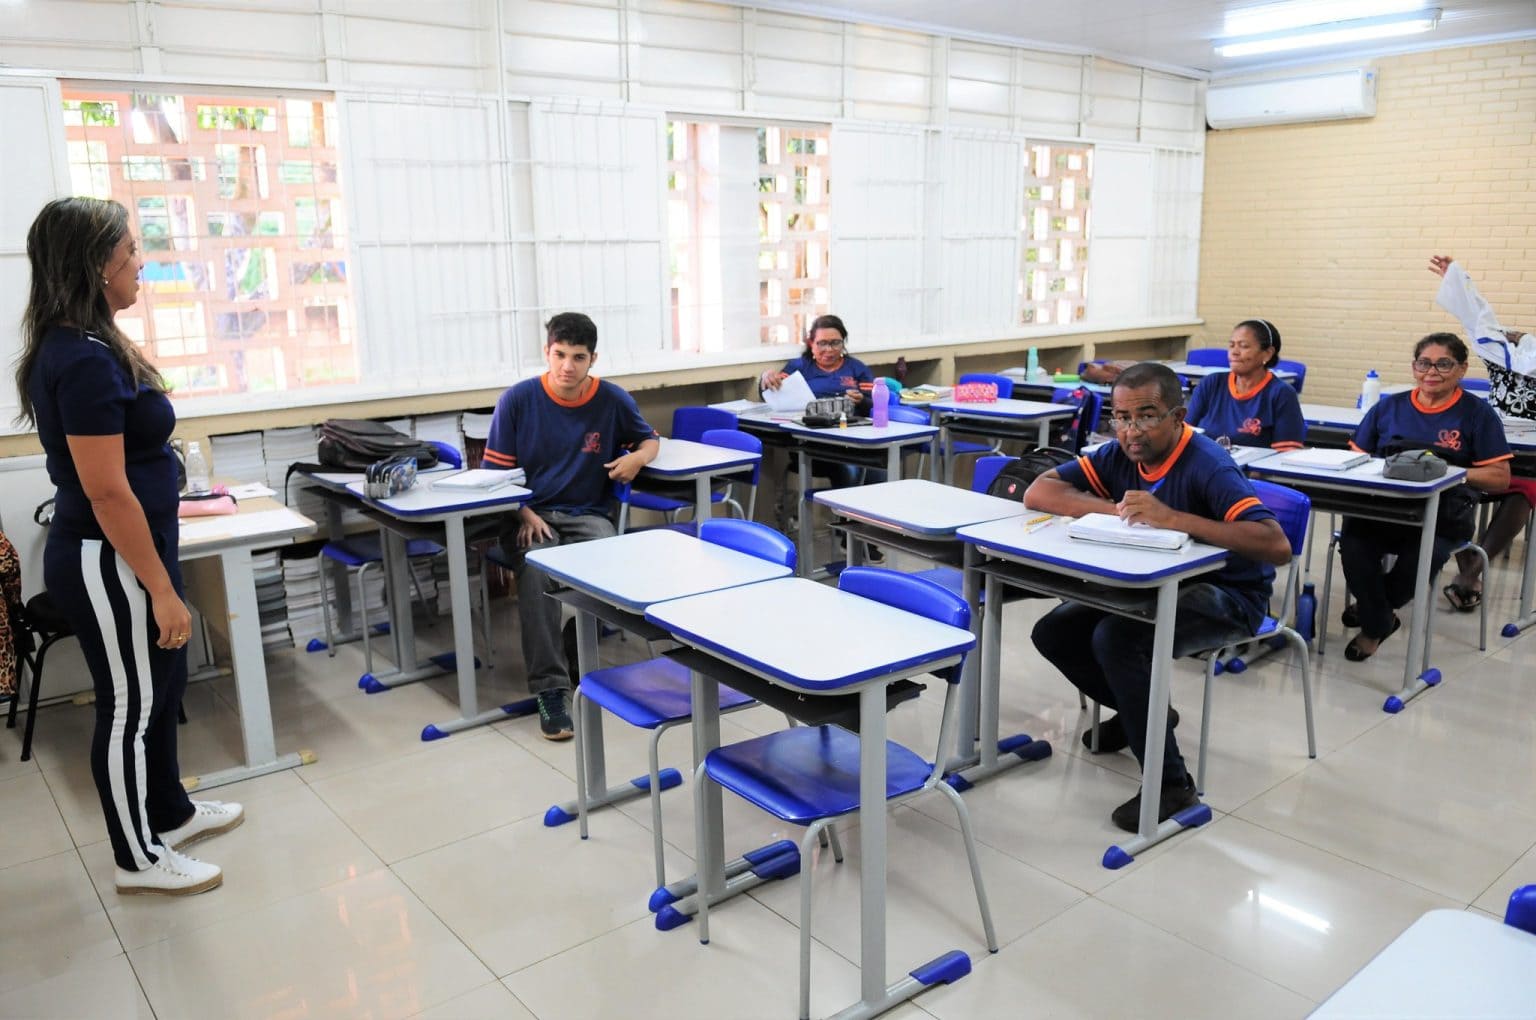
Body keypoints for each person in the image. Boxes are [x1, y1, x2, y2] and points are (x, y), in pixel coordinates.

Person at [16, 197, 241, 896]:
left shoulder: (92, 342)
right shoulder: (78, 361)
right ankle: (136, 859)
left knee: (162, 685)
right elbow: (107, 493)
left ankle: (169, 813)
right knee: (129, 706)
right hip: (106, 559)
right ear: (95, 264)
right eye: (131, 250)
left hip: (132, 553)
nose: (140, 262)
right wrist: (165, 591)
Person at [1027, 362, 1290, 832]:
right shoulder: (1121, 453)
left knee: (1118, 638)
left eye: (1146, 416)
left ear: (1177, 415)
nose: (1131, 430)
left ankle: (1172, 785)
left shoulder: (1208, 463)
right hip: (1153, 585)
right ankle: (1144, 715)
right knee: (1054, 631)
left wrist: (1172, 518)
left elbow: (1276, 545)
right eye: (1121, 417)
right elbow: (1039, 491)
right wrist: (1118, 510)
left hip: (1229, 596)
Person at [482, 312, 659, 740]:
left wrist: (637, 457)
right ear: (547, 352)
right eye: (559, 355)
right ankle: (551, 689)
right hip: (529, 516)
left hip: (587, 515)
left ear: (592, 359)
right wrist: (522, 512)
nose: (567, 366)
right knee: (539, 570)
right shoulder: (518, 400)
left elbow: (650, 439)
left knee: (608, 561)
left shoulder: (612, 401)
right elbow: (494, 475)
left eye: (578, 357)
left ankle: (573, 651)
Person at [1339, 332, 1512, 656]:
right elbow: (1356, 459)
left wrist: (1446, 473)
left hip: (1444, 514)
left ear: (1461, 369)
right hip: (1382, 509)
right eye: (1424, 363)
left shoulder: (1477, 414)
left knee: (1421, 556)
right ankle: (1380, 618)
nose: (1432, 371)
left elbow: (1500, 478)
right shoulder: (1389, 408)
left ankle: (1373, 619)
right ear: (1414, 367)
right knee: (1353, 541)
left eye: (1443, 364)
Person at [1428, 255, 1535, 612]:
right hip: (1491, 444)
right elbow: (1479, 317)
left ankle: (1472, 570)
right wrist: (1457, 278)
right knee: (1456, 482)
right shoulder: (1495, 351)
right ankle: (1470, 571)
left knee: (1525, 488)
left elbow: (1481, 318)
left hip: (1528, 456)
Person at [760, 314, 883, 489]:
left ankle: (870, 515)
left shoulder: (857, 368)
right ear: (811, 344)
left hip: (851, 440)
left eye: (835, 343)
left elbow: (874, 405)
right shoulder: (799, 367)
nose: (829, 349)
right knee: (848, 470)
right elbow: (771, 392)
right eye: (822, 343)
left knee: (878, 470)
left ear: (843, 343)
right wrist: (766, 378)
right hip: (812, 443)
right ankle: (847, 515)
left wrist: (862, 400)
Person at [1184, 319, 1306, 451]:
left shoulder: (1281, 393)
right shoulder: (1210, 384)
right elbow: (1185, 434)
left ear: (1268, 353)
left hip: (1252, 471)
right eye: (1231, 345)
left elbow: (1286, 453)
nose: (1234, 352)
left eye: (1244, 346)